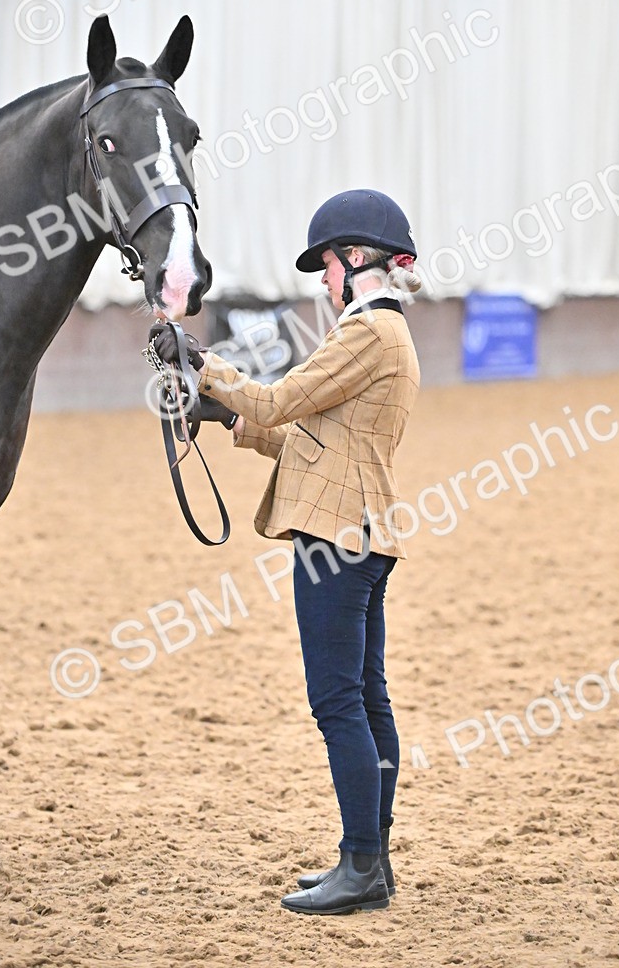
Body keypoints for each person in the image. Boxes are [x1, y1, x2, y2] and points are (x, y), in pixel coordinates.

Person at [152, 189, 421, 914]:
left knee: (338, 702)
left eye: (326, 267)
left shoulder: (367, 333)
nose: (323, 283)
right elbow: (315, 442)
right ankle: (371, 857)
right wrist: (220, 412)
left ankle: (361, 863)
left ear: (354, 260)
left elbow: (276, 404)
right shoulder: (387, 335)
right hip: (362, 528)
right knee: (366, 697)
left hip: (336, 535)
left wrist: (204, 366)